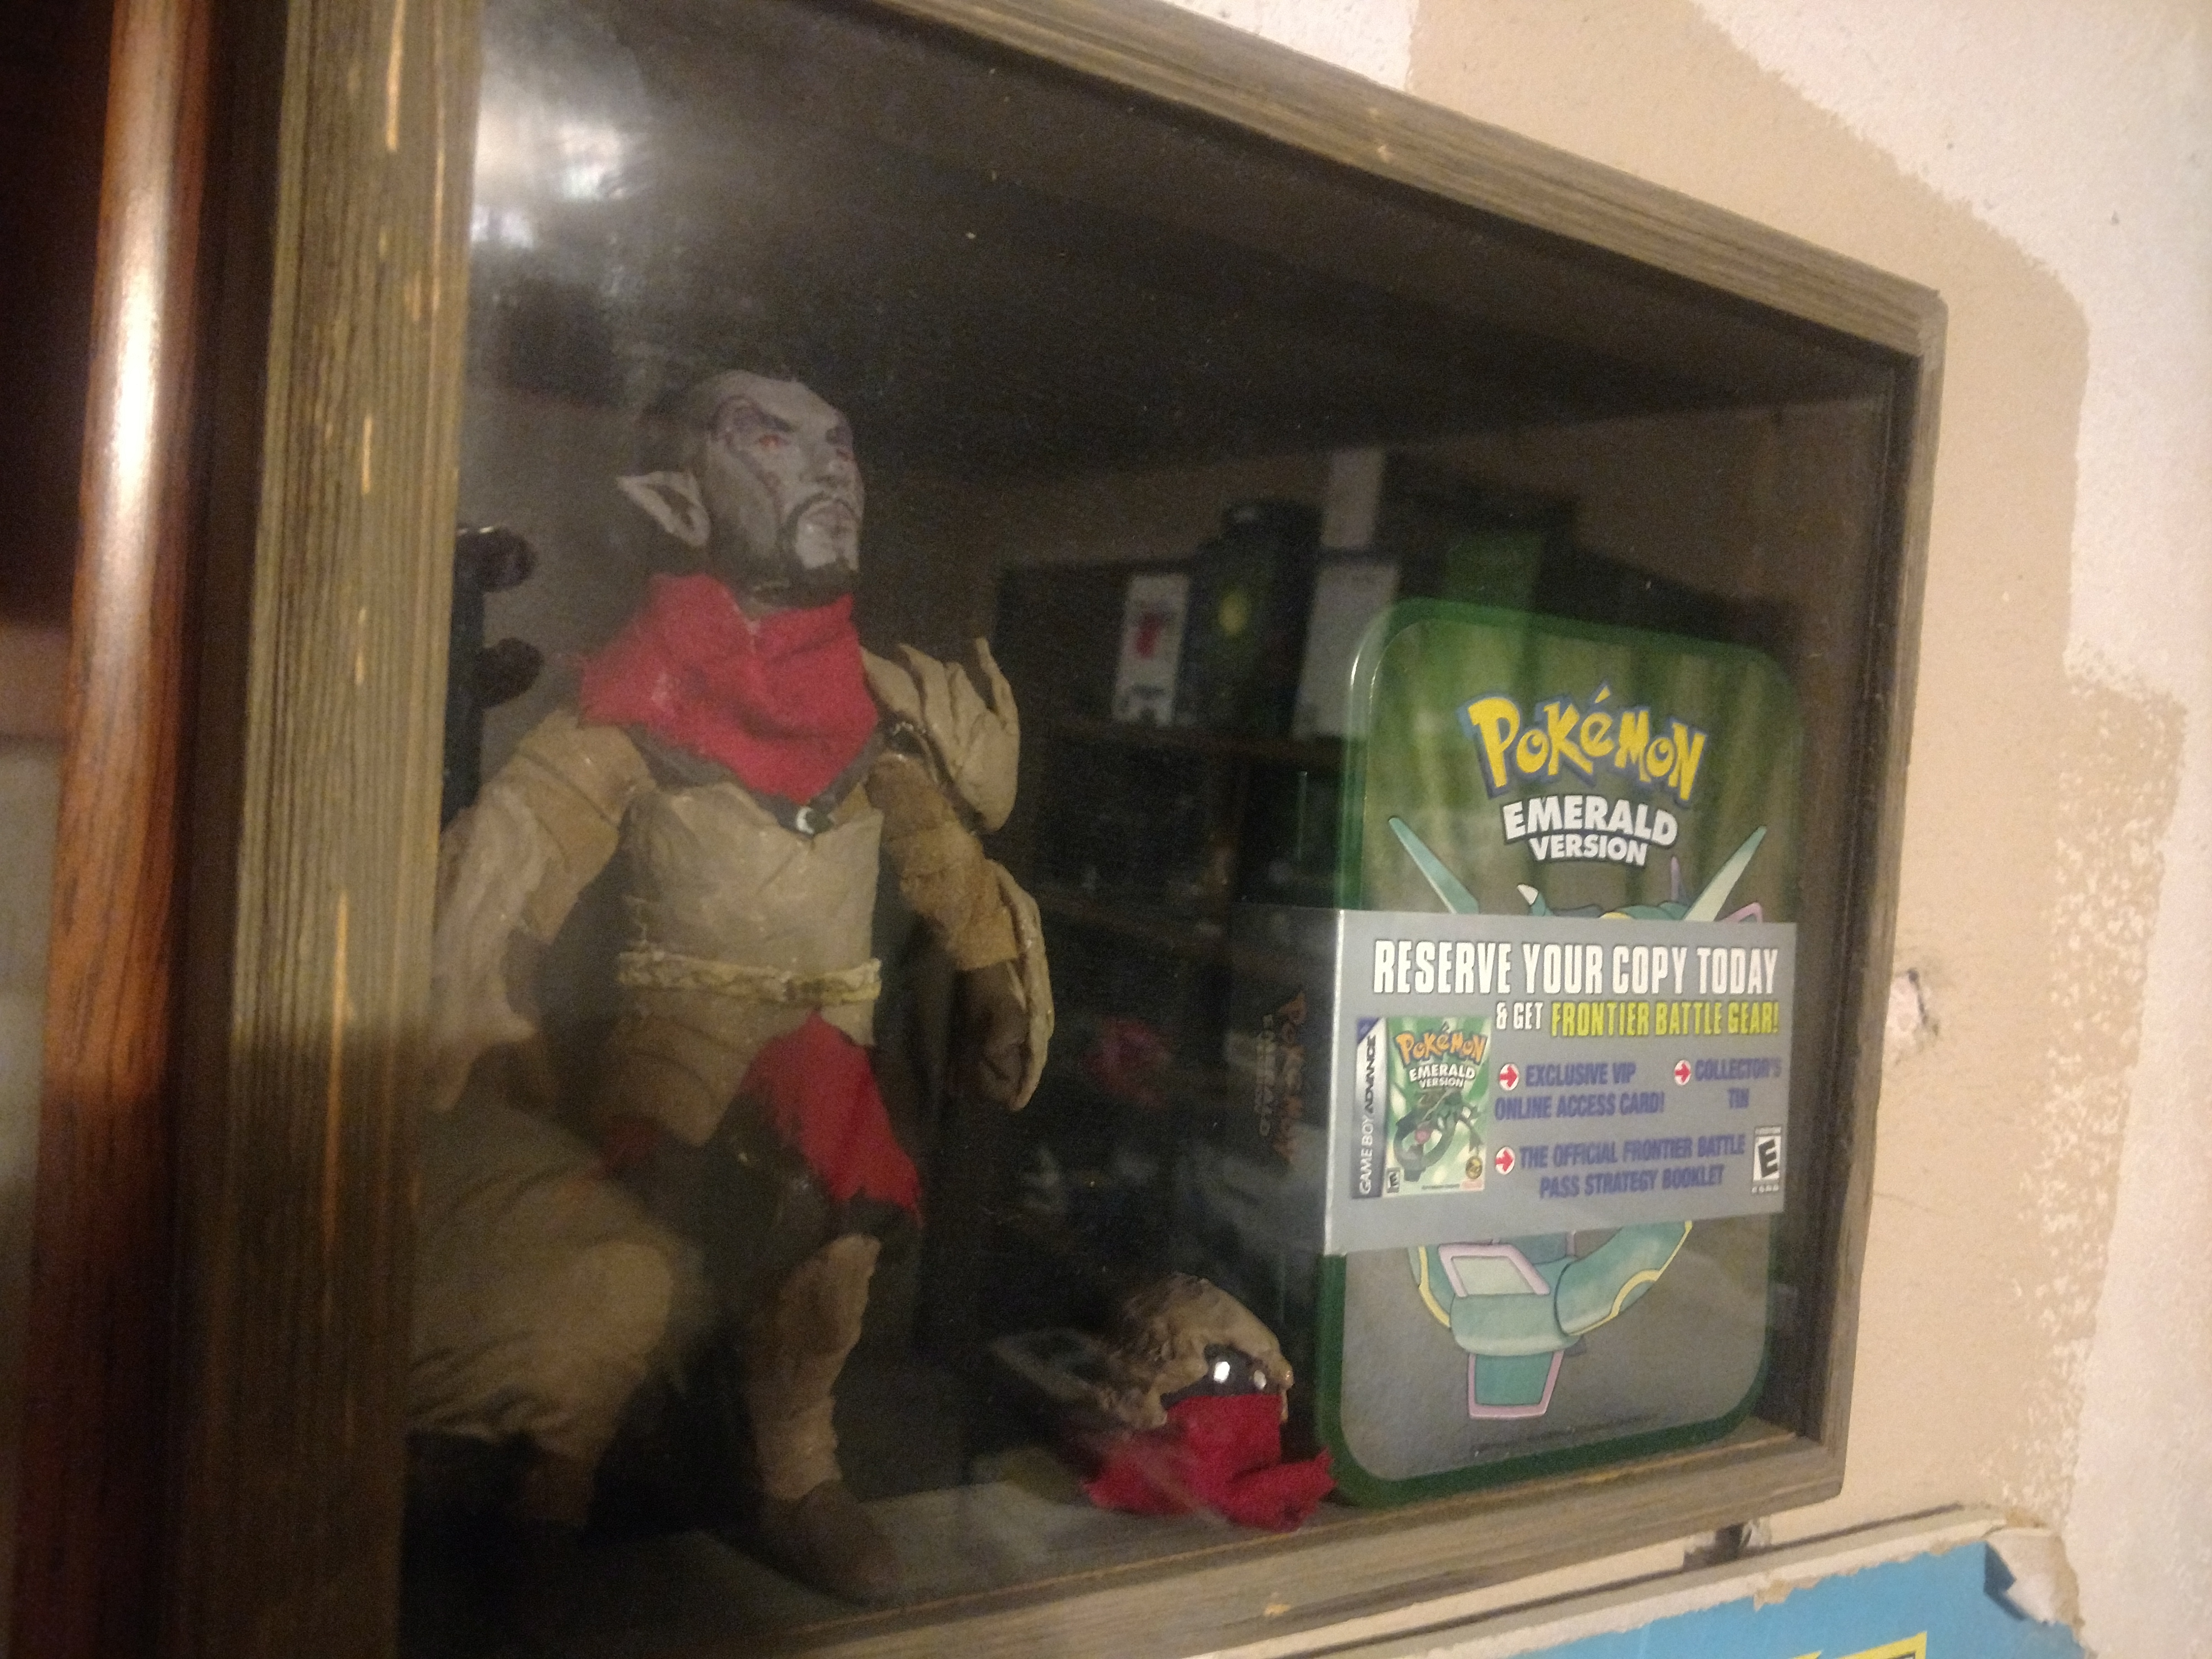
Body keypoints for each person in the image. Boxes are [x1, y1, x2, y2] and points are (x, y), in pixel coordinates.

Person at [411, 370, 1051, 1601]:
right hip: (678, 1044)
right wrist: (475, 983)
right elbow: (526, 846)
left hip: (831, 1036)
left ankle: (794, 1476)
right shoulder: (633, 696)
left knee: (832, 1264)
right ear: (681, 497)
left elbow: (937, 851)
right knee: (640, 1262)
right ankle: (550, 1493)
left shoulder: (877, 708)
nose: (829, 465)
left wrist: (991, 966)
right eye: (771, 439)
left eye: (841, 441)